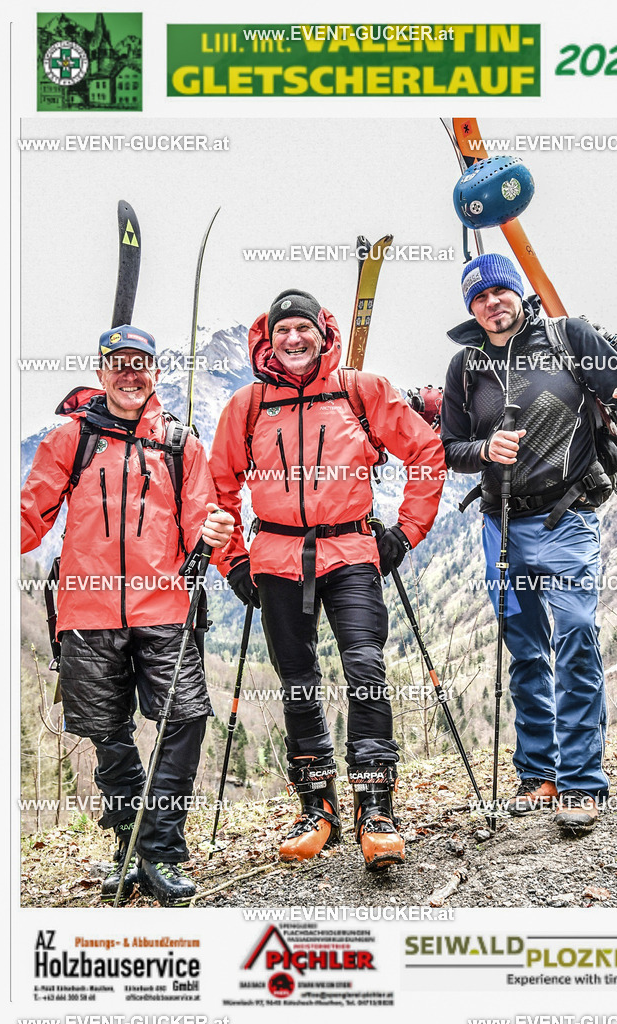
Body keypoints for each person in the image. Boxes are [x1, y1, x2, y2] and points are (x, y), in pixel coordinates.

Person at [202, 289, 445, 870]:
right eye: (282, 330)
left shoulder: (363, 392)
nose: (293, 339)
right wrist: (233, 560)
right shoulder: (249, 405)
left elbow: (427, 450)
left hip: (353, 551)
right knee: (297, 680)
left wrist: (406, 532)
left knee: (365, 668)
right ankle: (318, 807)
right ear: (268, 339)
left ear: (322, 333)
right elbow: (217, 487)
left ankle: (376, 806)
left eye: (302, 329)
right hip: (277, 558)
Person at [21, 325, 235, 904]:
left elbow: (199, 520)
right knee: (109, 734)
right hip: (86, 612)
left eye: (140, 363)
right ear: (101, 372)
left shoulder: (180, 443)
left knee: (184, 718)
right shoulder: (71, 439)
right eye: (119, 363)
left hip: (165, 606)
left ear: (155, 372)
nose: (130, 372)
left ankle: (158, 850)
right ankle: (127, 848)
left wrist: (213, 531)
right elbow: (28, 515)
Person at [440, 254, 617, 831]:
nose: (493, 302)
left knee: (579, 635)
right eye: (479, 296)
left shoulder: (569, 336)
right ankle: (540, 773)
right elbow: (450, 448)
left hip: (568, 519)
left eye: (501, 290)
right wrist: (484, 451)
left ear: (519, 293)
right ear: (471, 308)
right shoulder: (465, 367)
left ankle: (583, 783)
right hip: (501, 525)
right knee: (526, 650)